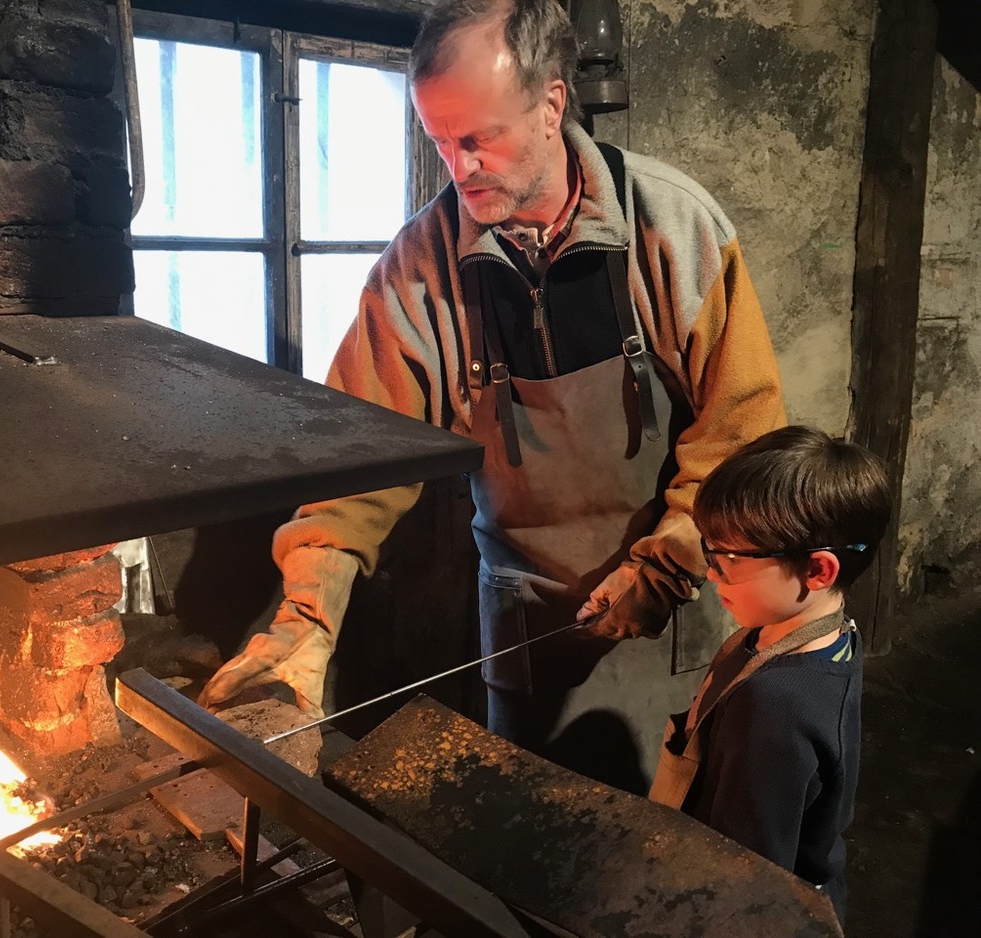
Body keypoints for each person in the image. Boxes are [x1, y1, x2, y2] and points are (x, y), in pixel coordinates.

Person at [199, 0, 786, 792]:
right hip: (523, 618)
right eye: (440, 141)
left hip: (665, 609)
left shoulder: (673, 229)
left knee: (661, 833)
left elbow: (742, 433)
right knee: (526, 825)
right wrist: (305, 620)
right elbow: (362, 457)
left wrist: (670, 556)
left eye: (479, 137)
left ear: (550, 105)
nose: (460, 166)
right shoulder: (420, 268)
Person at [649, 425, 893, 923]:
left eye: (729, 558)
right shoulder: (826, 633)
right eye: (710, 551)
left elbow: (746, 874)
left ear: (818, 571)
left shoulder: (775, 705)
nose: (711, 572)